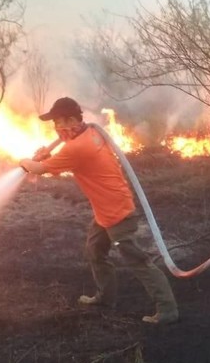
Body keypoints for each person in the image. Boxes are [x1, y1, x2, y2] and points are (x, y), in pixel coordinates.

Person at [19, 97, 179, 325]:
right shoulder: (91, 134)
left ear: (73, 119)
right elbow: (63, 164)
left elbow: (40, 169)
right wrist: (46, 159)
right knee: (95, 250)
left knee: (138, 261)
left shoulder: (78, 146)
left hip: (116, 214)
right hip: (106, 210)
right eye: (54, 124)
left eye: (59, 122)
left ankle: (167, 310)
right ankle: (105, 299)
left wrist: (25, 161)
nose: (57, 128)